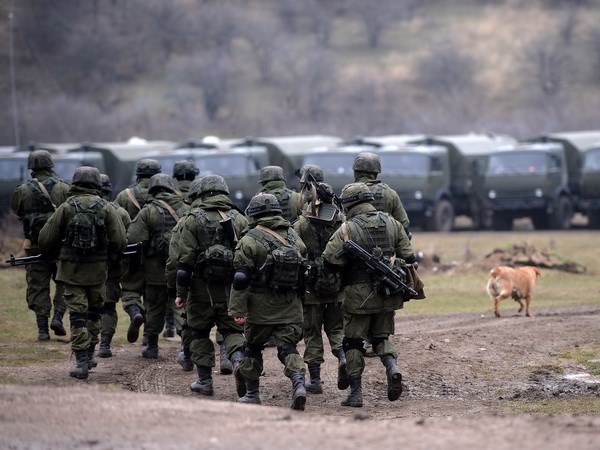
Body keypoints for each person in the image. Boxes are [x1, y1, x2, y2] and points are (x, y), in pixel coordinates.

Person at [322, 182, 418, 407]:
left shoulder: (347, 229)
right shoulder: (392, 222)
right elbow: (410, 258)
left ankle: (356, 393)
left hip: (358, 297)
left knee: (353, 343)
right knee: (381, 338)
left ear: (349, 204)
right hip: (388, 293)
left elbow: (329, 260)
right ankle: (392, 367)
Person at [38, 166, 126, 379]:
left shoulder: (66, 207)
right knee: (94, 314)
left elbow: (45, 239)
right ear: (97, 184)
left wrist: (55, 253)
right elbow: (120, 240)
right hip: (98, 273)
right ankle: (89, 353)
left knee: (77, 317)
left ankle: (81, 361)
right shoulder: (106, 208)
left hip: (71, 272)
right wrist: (109, 256)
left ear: (75, 182)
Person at [228, 193, 309, 410]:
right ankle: (299, 384)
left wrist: (238, 309)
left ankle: (253, 393)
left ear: (253, 214)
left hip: (259, 308)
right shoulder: (293, 237)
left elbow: (241, 279)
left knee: (252, 348)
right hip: (290, 306)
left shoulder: (248, 240)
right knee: (288, 348)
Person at [174, 175, 248, 396]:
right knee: (233, 331)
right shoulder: (240, 218)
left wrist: (181, 293)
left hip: (199, 291)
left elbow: (183, 262)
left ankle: (205, 381)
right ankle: (237, 363)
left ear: (203, 193)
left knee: (198, 333)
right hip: (231, 291)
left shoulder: (191, 219)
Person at [293, 164, 347, 394]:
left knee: (312, 332)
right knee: (336, 330)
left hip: (311, 289)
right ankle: (344, 359)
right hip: (336, 284)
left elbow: (293, 246)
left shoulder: (303, 224)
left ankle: (314, 381)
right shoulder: (342, 221)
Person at [353, 151, 412, 356]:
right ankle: (380, 338)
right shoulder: (389, 193)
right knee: (386, 292)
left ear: (356, 171)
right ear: (377, 171)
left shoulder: (350, 190)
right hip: (386, 255)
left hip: (357, 254)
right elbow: (402, 224)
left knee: (356, 294)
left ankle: (357, 341)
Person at [127, 173, 189, 359]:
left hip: (155, 270)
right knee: (182, 309)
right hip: (181, 270)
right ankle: (186, 349)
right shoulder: (186, 208)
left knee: (154, 307)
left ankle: (152, 346)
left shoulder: (147, 211)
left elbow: (135, 239)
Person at [10, 149, 70, 341]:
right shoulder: (63, 188)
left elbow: (17, 211)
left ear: (31, 168)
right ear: (50, 166)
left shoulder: (22, 190)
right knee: (64, 283)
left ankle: (42, 330)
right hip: (61, 247)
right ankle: (58, 318)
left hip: (34, 246)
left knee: (37, 286)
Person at [115, 159, 161, 344]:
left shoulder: (124, 196)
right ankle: (149, 341)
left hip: (131, 253)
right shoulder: (162, 196)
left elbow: (115, 223)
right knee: (153, 297)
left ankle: (135, 311)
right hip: (155, 255)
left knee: (129, 289)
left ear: (138, 174)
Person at [163, 160, 200, 339]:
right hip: (197, 256)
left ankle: (170, 324)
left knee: (168, 290)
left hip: (171, 250)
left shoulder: (170, 194)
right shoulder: (200, 194)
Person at [97, 174, 131, 358]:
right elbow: (127, 241)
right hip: (111, 269)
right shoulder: (121, 212)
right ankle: (104, 345)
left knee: (85, 307)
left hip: (82, 270)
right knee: (108, 306)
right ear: (110, 192)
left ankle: (84, 349)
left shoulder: (74, 208)